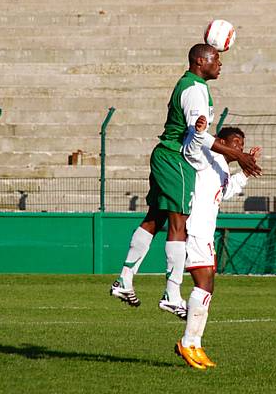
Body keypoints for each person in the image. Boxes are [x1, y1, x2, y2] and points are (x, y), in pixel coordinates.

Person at [110, 43, 261, 319]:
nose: (220, 63)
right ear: (200, 62)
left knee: (154, 219)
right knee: (178, 224)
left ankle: (124, 280)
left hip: (166, 155)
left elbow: (200, 132)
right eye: (215, 59)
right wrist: (238, 155)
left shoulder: (192, 85)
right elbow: (199, 135)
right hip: (175, 159)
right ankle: (172, 293)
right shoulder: (193, 90)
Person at [175, 115, 261, 369]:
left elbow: (225, 191)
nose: (240, 149)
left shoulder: (222, 167)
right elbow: (190, 149)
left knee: (207, 288)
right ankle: (188, 343)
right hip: (193, 230)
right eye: (235, 143)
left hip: (205, 232)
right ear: (221, 141)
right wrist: (199, 132)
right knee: (203, 285)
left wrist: (244, 172)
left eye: (242, 145)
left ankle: (194, 344)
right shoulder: (207, 157)